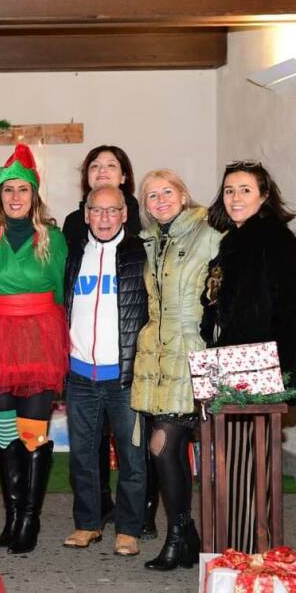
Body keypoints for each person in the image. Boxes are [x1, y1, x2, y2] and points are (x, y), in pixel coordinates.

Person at [0, 143, 69, 555]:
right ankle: (13, 515)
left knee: (33, 436)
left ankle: (30, 518)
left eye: (23, 190)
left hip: (40, 339)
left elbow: (62, 293)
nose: (15, 197)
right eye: (8, 189)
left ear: (34, 195)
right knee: (6, 435)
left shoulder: (55, 237)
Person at [202, 161, 296, 552]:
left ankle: (252, 553)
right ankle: (238, 550)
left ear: (263, 195)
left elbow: (287, 310)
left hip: (259, 365)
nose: (235, 197)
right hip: (232, 362)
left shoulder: (273, 238)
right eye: (229, 190)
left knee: (249, 464)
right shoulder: (233, 241)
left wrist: (281, 372)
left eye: (244, 189)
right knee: (234, 461)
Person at [132, 169, 220, 571]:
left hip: (192, 350)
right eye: (152, 196)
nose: (161, 200)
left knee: (163, 445)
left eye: (168, 192)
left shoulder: (209, 234)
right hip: (157, 354)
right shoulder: (151, 242)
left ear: (184, 196)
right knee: (168, 449)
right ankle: (187, 537)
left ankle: (178, 536)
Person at [60, 146, 147, 536]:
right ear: (85, 215)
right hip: (80, 375)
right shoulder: (75, 254)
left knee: (132, 458)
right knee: (82, 457)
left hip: (124, 376)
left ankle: (128, 529)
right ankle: (88, 523)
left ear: (125, 213)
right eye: (97, 211)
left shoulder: (139, 254)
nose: (105, 218)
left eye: (113, 211)